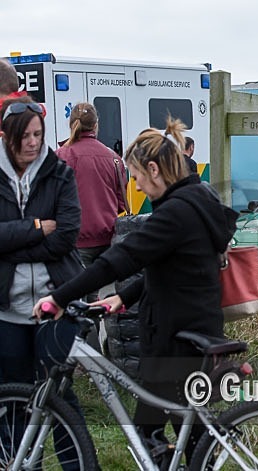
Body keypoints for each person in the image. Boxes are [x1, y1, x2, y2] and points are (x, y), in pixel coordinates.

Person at [33, 117, 239, 461]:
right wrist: (123, 296)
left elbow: (118, 260)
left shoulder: (175, 213)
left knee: (155, 432)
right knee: (179, 432)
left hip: (177, 341)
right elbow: (172, 268)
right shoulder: (197, 199)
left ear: (154, 170)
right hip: (190, 330)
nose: (137, 187)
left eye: (136, 176)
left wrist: (59, 296)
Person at [0, 96, 86, 467]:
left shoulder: (60, 173)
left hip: (56, 303)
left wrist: (12, 242)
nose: (33, 142)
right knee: (14, 398)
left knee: (61, 396)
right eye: (25, 137)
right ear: (7, 137)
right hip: (8, 311)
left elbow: (66, 235)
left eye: (38, 134)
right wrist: (36, 227)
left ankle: (76, 463)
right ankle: (21, 463)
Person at [56, 102, 128, 302]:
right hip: (108, 239)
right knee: (99, 295)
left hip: (76, 239)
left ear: (72, 125)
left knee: (78, 297)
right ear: (96, 126)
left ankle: (88, 332)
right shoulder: (114, 158)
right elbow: (122, 203)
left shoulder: (61, 156)